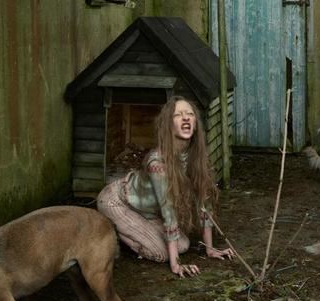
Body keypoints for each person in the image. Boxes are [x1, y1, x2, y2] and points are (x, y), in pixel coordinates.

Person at [97, 96, 234, 278]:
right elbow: (168, 210)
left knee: (183, 245)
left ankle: (135, 228)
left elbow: (203, 201)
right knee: (160, 254)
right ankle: (113, 232)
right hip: (117, 202)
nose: (185, 118)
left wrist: (210, 249)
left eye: (190, 114)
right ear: (168, 125)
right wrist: (176, 265)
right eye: (178, 115)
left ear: (195, 122)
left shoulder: (195, 156)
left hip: (147, 212)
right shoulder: (158, 162)